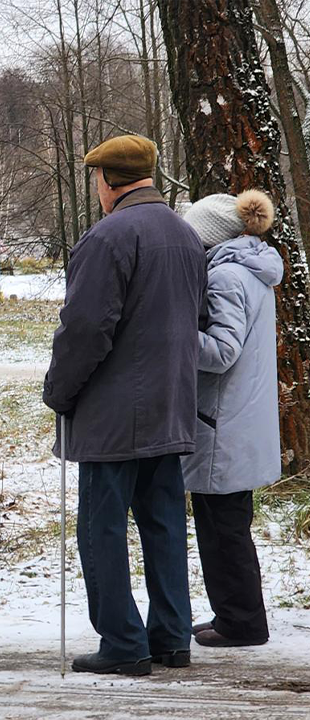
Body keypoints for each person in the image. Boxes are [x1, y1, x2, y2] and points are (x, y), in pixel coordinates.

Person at [43, 135, 208, 676]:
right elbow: (197, 319)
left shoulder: (108, 236)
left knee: (102, 529)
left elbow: (85, 329)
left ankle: (122, 642)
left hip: (113, 416)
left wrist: (59, 391)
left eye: (96, 179)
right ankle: (171, 638)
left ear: (108, 180)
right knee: (164, 525)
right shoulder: (184, 234)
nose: (96, 188)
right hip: (171, 404)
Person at [181, 190, 281, 649]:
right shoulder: (252, 270)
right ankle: (235, 614)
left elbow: (222, 352)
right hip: (238, 419)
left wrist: (176, 334)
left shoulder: (224, 276)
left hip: (223, 423)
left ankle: (241, 623)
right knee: (228, 525)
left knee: (222, 530)